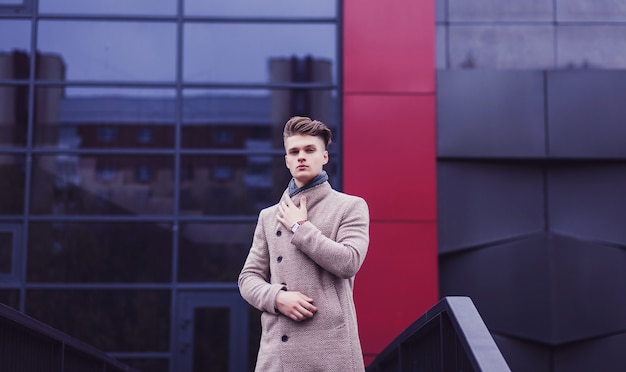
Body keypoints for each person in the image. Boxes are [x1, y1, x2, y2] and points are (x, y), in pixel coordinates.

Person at [238, 116, 370, 371]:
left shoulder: (350, 207)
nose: (301, 156)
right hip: (277, 355)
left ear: (324, 157)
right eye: (294, 151)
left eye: (310, 150)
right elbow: (248, 278)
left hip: (330, 352)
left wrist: (300, 227)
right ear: (286, 160)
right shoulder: (269, 216)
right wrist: (277, 298)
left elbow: (349, 262)